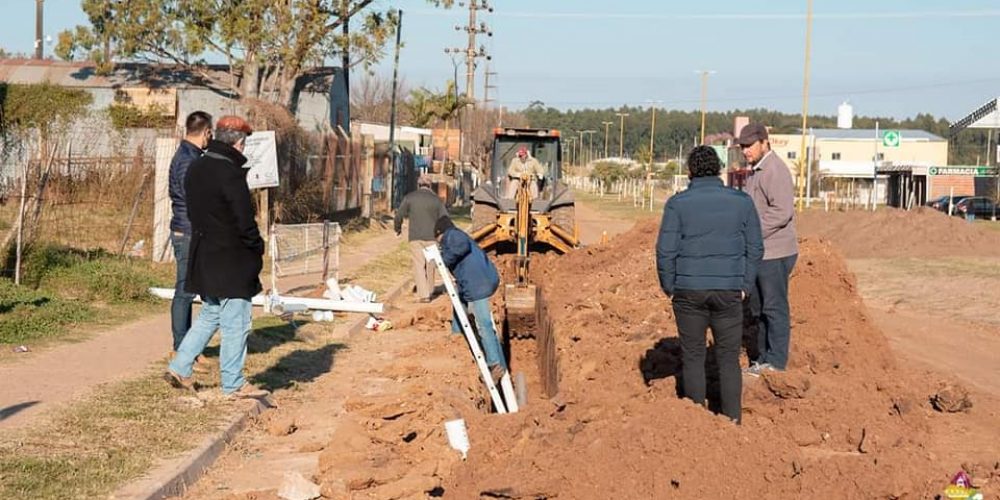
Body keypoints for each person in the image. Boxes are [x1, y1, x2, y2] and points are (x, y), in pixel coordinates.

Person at [656, 145, 763, 424]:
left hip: (688, 292)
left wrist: (670, 286)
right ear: (718, 169)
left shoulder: (677, 204)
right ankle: (732, 423)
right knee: (728, 359)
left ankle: (697, 424)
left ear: (690, 172)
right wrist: (745, 285)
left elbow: (665, 250)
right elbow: (756, 247)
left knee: (693, 357)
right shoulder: (742, 202)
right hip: (729, 290)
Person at [165, 115, 269, 399]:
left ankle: (180, 365)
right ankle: (233, 383)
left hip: (203, 252)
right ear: (239, 142)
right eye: (244, 143)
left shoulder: (197, 167)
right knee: (236, 321)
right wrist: (256, 246)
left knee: (211, 313)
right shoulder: (230, 173)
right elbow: (244, 219)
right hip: (231, 259)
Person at [737, 123, 799, 376]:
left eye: (750, 146)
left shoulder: (775, 170)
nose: (746, 151)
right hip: (760, 253)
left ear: (764, 142)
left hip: (776, 252)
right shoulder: (755, 171)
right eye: (742, 147)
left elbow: (782, 212)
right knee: (759, 309)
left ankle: (775, 362)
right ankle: (762, 359)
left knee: (774, 307)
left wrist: (752, 232)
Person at [434, 215, 508, 382]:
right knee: (459, 305)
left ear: (440, 233)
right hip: (475, 282)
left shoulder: (452, 235)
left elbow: (461, 246)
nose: (438, 243)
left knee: (484, 325)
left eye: (437, 239)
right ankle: (457, 338)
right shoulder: (454, 235)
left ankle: (495, 365)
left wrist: (442, 260)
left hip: (478, 284)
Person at [168, 111, 212, 359]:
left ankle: (190, 346)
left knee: (201, 289)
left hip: (188, 228)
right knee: (185, 291)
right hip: (189, 231)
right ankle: (181, 348)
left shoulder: (189, 155)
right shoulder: (188, 159)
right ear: (206, 131)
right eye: (210, 133)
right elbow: (191, 196)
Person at [394, 174, 448, 303]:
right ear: (430, 185)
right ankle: (430, 290)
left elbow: (399, 215)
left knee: (418, 264)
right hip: (432, 237)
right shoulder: (436, 200)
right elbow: (445, 218)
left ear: (419, 185)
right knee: (431, 264)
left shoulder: (410, 197)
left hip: (415, 236)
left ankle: (424, 295)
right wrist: (442, 234)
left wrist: (398, 228)